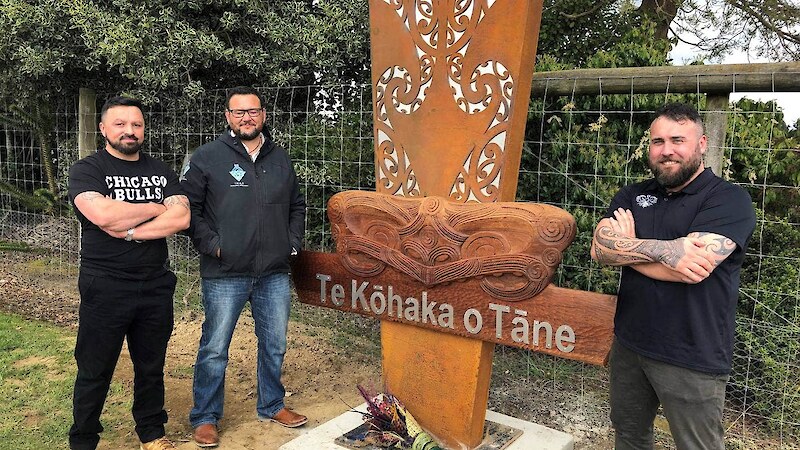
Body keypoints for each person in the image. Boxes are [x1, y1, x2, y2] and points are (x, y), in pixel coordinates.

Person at [590, 103, 756, 450]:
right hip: (630, 345)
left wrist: (630, 247)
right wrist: (668, 250)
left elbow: (693, 270)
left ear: (701, 143)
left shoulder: (729, 200)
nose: (666, 150)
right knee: (629, 436)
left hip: (693, 355)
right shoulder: (633, 194)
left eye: (677, 140)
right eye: (658, 141)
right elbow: (601, 250)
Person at [181, 86, 307, 447]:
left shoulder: (280, 158)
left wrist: (292, 243)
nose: (246, 117)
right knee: (215, 347)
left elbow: (297, 206)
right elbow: (189, 210)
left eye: (253, 111)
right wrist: (215, 247)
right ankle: (205, 417)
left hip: (273, 273)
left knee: (275, 344)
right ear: (227, 117)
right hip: (225, 273)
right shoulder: (206, 157)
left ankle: (272, 404)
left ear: (264, 115)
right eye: (238, 112)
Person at [68, 96, 190, 450]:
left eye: (136, 124)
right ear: (103, 129)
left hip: (154, 286)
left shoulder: (161, 170)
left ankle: (151, 434)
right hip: (105, 285)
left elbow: (181, 218)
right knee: (95, 369)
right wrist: (155, 207)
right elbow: (104, 215)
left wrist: (132, 229)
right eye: (120, 124)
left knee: (151, 367)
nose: (129, 131)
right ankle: (83, 440)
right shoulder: (88, 169)